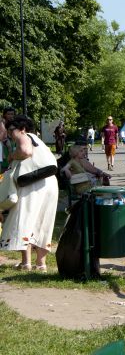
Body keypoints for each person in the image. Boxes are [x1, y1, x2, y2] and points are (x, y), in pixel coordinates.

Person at [0, 116, 58, 272]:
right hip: (50, 183)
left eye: (11, 130)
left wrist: (12, 156)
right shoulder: (39, 141)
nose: (10, 134)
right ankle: (41, 264)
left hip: (33, 183)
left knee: (24, 219)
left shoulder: (24, 136)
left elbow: (25, 151)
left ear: (22, 129)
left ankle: (26, 263)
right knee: (44, 222)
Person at [0, 107, 16, 172]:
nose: (10, 116)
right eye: (8, 114)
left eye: (12, 114)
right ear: (5, 115)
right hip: (4, 141)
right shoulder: (2, 122)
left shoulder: (15, 123)